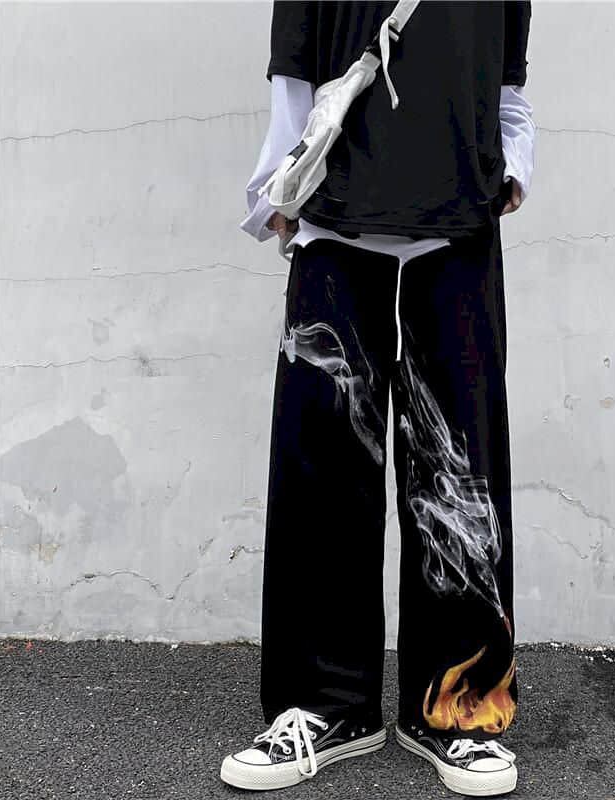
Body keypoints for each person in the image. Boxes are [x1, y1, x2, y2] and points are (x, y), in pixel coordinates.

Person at [221, 1, 534, 795]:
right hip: (334, 220)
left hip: (457, 223)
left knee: (460, 479)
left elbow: (507, 78)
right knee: (322, 471)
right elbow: (294, 72)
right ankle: (323, 705)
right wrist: (279, 182)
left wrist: (513, 162)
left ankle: (456, 708)